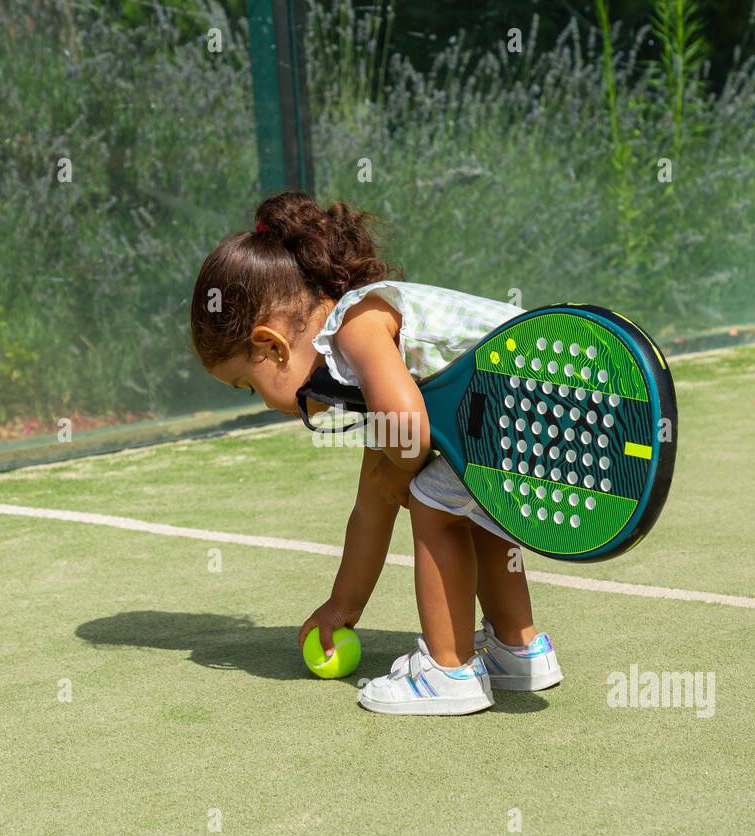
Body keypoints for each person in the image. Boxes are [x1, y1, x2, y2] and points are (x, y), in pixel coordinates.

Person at [189, 191, 561, 715]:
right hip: (547, 408)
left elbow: (407, 428)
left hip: (536, 400)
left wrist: (399, 471)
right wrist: (343, 604)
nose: (264, 403)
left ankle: (448, 672)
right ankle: (519, 650)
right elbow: (372, 507)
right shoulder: (366, 369)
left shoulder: (358, 326)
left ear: (271, 346)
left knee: (436, 504)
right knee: (470, 506)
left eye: (247, 385)